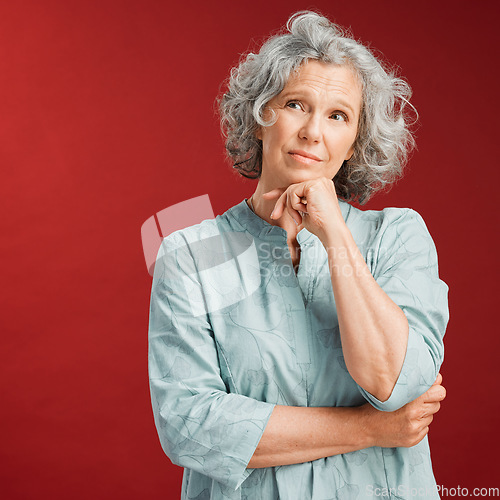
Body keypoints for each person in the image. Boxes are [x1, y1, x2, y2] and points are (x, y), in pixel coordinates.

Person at [148, 10, 449, 500]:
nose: (313, 131)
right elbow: (190, 425)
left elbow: (394, 383)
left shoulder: (399, 237)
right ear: (260, 117)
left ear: (354, 142)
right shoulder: (189, 255)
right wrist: (370, 430)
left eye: (338, 116)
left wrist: (335, 236)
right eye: (295, 104)